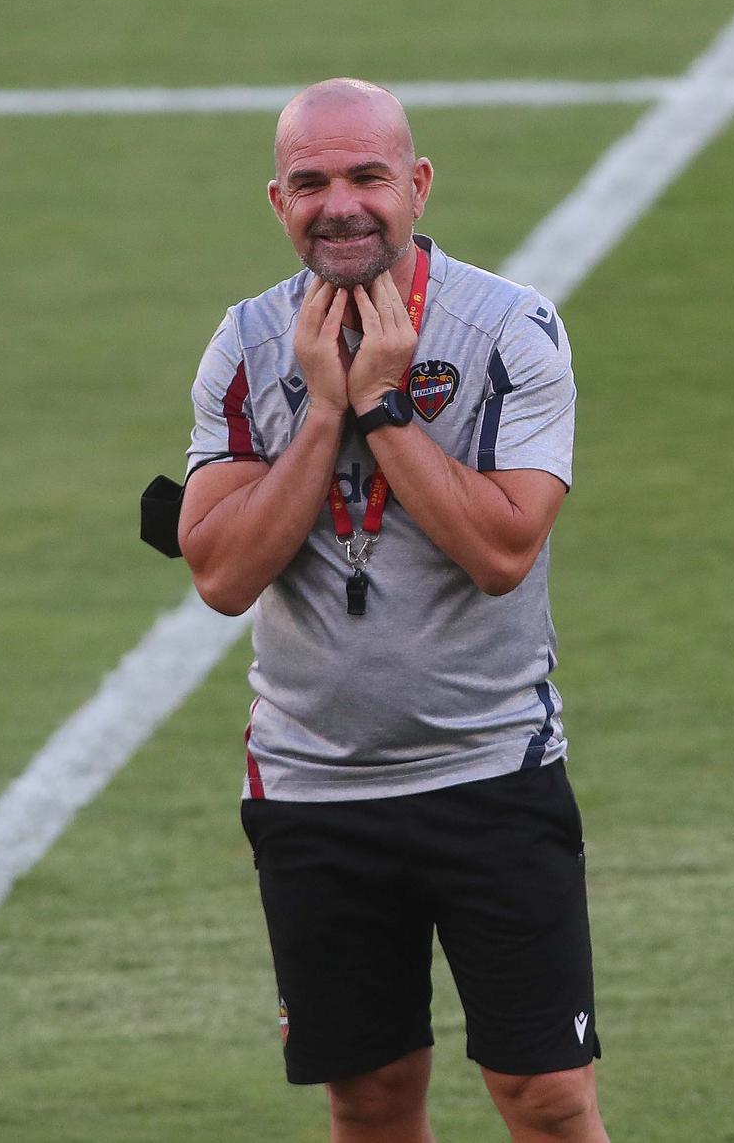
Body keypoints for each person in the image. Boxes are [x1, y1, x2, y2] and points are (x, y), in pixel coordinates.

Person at [175, 77, 609, 1143]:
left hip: (490, 774)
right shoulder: (243, 348)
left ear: (414, 186)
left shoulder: (511, 331)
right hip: (313, 791)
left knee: (548, 1101)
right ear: (276, 200)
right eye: (312, 182)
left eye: (367, 176)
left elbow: (503, 548)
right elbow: (221, 574)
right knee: (368, 1102)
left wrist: (379, 403)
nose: (342, 204)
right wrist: (323, 408)